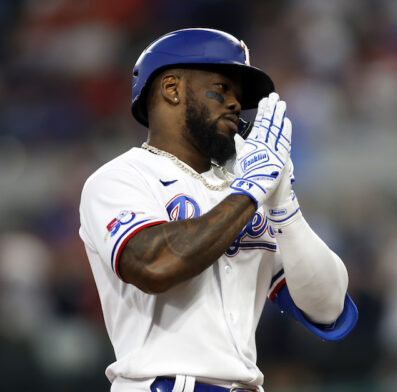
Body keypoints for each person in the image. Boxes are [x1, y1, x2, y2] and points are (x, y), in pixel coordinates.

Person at [78, 28, 358, 392]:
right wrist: (251, 191)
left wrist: (283, 204)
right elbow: (153, 265)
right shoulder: (120, 178)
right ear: (172, 88)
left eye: (239, 97)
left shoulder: (244, 193)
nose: (236, 104)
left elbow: (327, 309)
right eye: (222, 88)